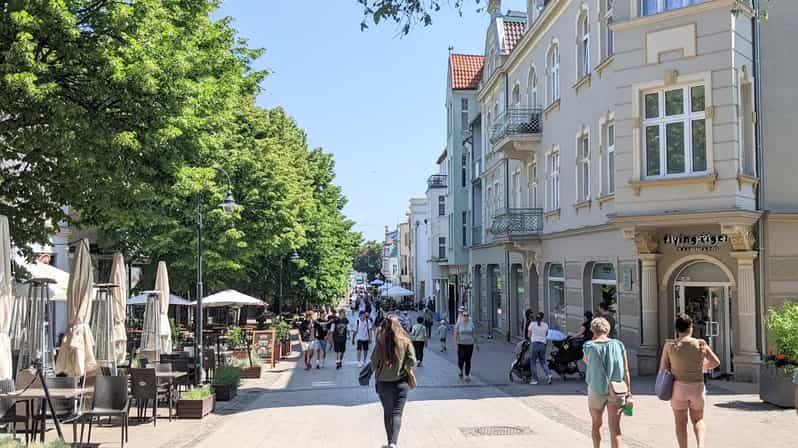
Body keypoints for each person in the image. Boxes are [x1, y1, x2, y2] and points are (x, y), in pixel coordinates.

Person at [660, 314, 720, 448]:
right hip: (697, 387)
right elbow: (716, 362)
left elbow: (663, 368)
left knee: (680, 424)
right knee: (698, 419)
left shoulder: (670, 345)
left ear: (677, 329)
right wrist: (702, 366)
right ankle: (700, 445)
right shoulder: (700, 343)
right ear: (690, 328)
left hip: (678, 388)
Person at [583, 317, 631, 448]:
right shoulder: (619, 345)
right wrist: (629, 393)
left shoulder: (588, 346)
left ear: (593, 330)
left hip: (596, 388)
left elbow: (587, 362)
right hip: (617, 389)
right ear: (608, 330)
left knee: (596, 424)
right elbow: (626, 370)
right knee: (615, 428)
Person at [371, 315, 417, 448]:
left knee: (387, 412)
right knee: (397, 413)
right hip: (401, 383)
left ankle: (389, 441)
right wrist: (403, 365)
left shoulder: (380, 342)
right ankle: (393, 443)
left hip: (383, 383)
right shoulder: (405, 341)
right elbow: (413, 361)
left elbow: (373, 363)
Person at [527, 312, 552, 385]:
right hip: (542, 345)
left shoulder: (532, 324)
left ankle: (534, 379)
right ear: (542, 318)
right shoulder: (545, 325)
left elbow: (529, 335)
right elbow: (546, 334)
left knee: (533, 362)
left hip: (534, 344)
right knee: (543, 361)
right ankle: (549, 374)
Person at [453, 310, 477, 382]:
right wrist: (455, 343)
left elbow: (474, 333)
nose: (466, 316)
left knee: (468, 359)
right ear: (462, 316)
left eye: (467, 315)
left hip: (470, 344)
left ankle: (467, 375)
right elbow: (455, 334)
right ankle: (461, 370)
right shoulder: (459, 323)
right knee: (461, 359)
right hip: (461, 344)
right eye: (464, 315)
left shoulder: (471, 323)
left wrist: (476, 343)